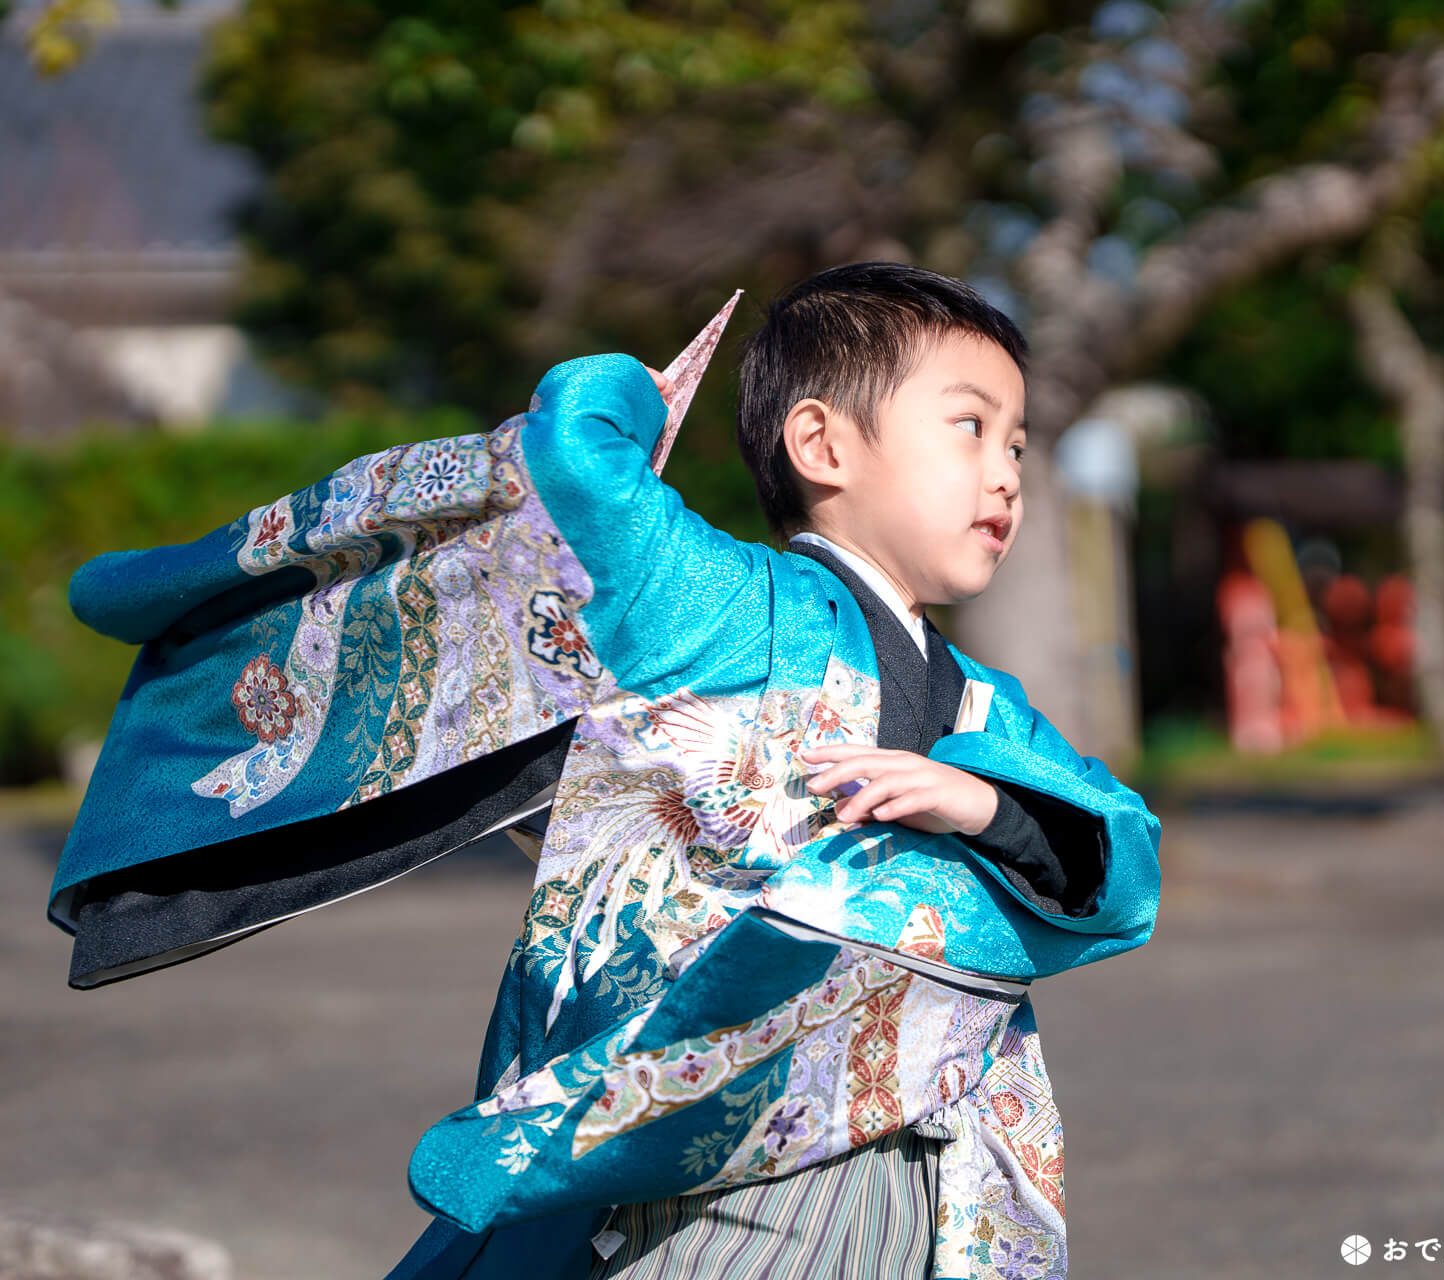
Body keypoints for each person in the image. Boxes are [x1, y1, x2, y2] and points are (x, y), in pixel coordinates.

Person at [52, 261, 1160, 1279]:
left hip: (937, 1172)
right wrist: (635, 387)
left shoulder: (984, 704)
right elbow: (576, 453)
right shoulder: (713, 598)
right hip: (699, 1171)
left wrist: (985, 803)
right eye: (969, 428)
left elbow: (1124, 865)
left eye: (1016, 444)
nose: (1004, 472)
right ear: (820, 445)